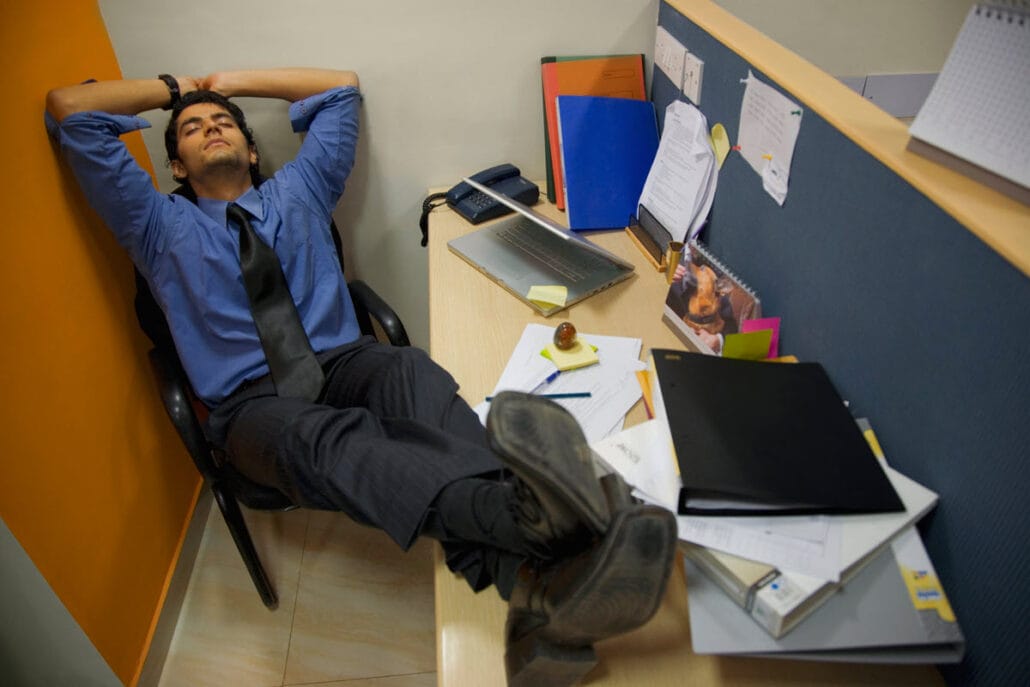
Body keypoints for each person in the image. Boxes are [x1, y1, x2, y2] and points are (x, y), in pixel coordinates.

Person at [45, 68, 675, 684]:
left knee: (406, 368)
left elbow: (339, 88)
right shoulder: (154, 226)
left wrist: (228, 82)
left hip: (343, 361)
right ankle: (543, 530)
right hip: (250, 406)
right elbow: (69, 107)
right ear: (176, 167)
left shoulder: (300, 190)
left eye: (224, 124)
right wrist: (180, 90)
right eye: (191, 129)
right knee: (330, 440)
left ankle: (532, 584)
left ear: (253, 147)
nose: (211, 129)